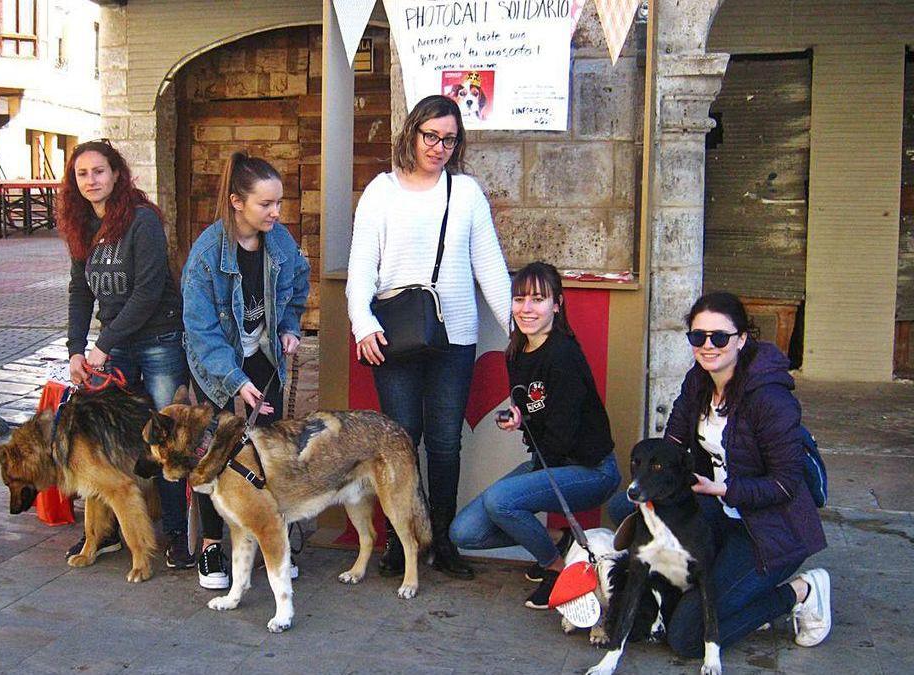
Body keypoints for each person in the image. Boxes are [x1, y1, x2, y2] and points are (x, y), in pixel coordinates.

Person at [607, 291, 831, 655]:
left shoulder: (770, 399)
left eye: (719, 337)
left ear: (742, 338)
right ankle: (671, 581)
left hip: (771, 529)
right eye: (698, 337)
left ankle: (800, 593)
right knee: (624, 507)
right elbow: (674, 447)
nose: (708, 346)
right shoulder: (698, 380)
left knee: (686, 638)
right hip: (716, 508)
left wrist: (724, 488)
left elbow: (785, 484)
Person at [346, 94, 511, 579]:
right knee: (399, 442)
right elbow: (361, 269)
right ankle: (402, 541)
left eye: (449, 139)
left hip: (454, 337)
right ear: (412, 133)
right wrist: (363, 322)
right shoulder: (381, 191)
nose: (439, 147)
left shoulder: (466, 194)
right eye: (431, 136)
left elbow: (492, 272)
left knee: (444, 444)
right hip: (392, 337)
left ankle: (442, 540)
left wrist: (521, 339)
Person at [448, 262, 619, 607]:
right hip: (549, 461)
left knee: (502, 501)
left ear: (557, 304)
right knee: (464, 532)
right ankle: (560, 541)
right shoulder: (517, 351)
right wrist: (519, 417)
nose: (527, 309)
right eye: (520, 299)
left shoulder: (563, 354)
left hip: (591, 470)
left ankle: (557, 569)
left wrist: (523, 484)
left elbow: (564, 431)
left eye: (538, 299)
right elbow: (536, 406)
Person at [57, 139, 194, 569]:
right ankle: (108, 533)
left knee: (165, 437)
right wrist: (76, 349)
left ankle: (176, 534)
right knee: (109, 440)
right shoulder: (81, 224)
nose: (91, 180)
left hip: (158, 340)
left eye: (99, 171)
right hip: (114, 345)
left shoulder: (142, 220)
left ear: (116, 174)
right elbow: (81, 291)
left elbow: (149, 290)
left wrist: (102, 346)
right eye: (82, 174)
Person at [181, 150, 310, 590]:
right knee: (213, 450)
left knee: (268, 446)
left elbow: (297, 286)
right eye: (266, 204)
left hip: (264, 354)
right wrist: (236, 382)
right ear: (237, 202)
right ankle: (213, 546)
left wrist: (291, 327)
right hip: (216, 362)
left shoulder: (280, 241)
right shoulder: (205, 255)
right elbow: (201, 333)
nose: (276, 212)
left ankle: (272, 535)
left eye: (278, 203)